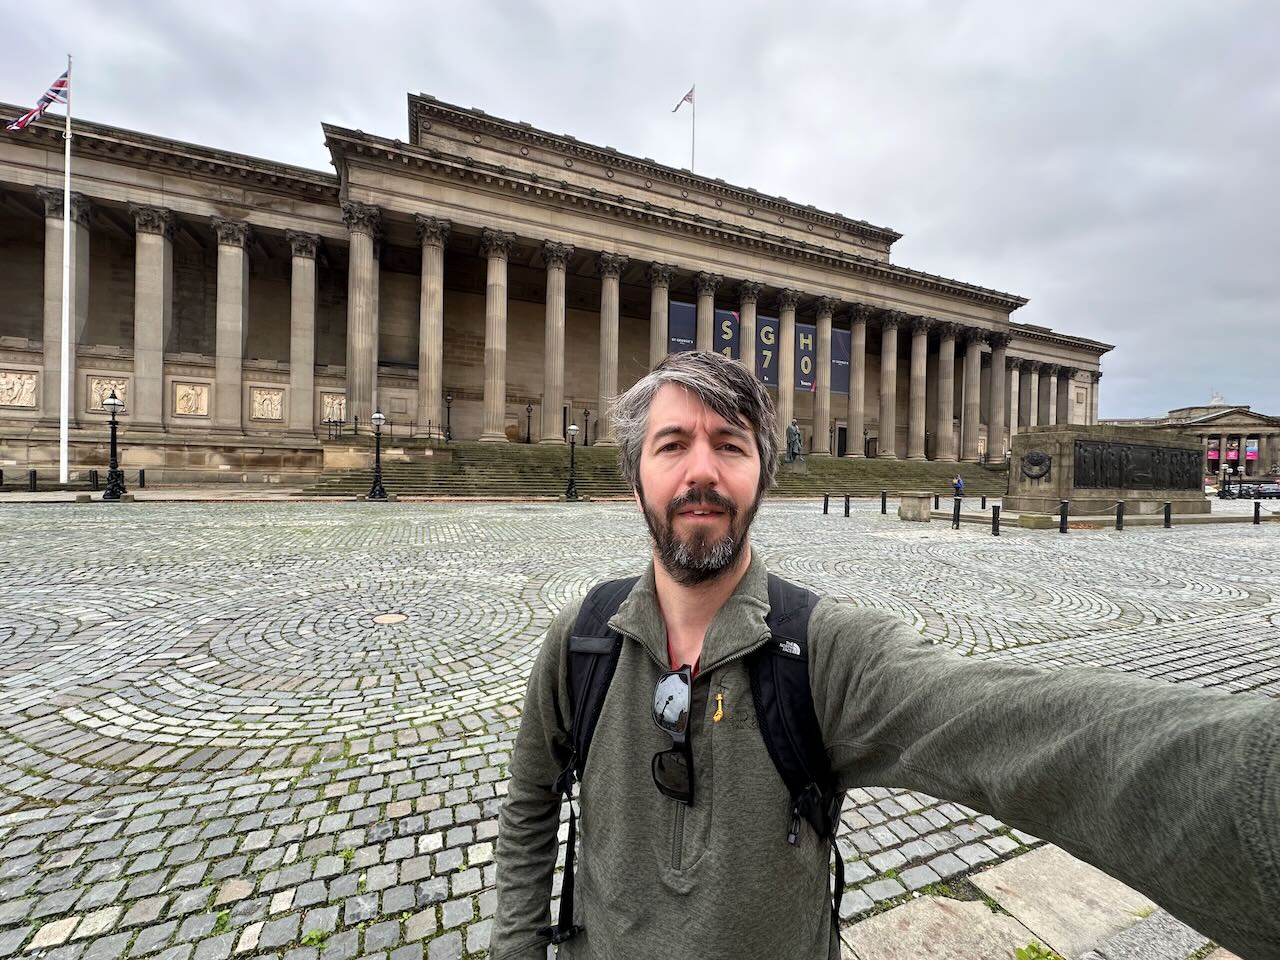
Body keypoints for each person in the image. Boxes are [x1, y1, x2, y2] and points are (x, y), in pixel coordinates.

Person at [492, 351, 1279, 960]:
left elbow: (1017, 728)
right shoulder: (582, 640)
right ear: (634, 477)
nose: (701, 470)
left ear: (764, 473)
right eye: (672, 445)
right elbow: (528, 808)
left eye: (730, 444)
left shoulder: (824, 652)